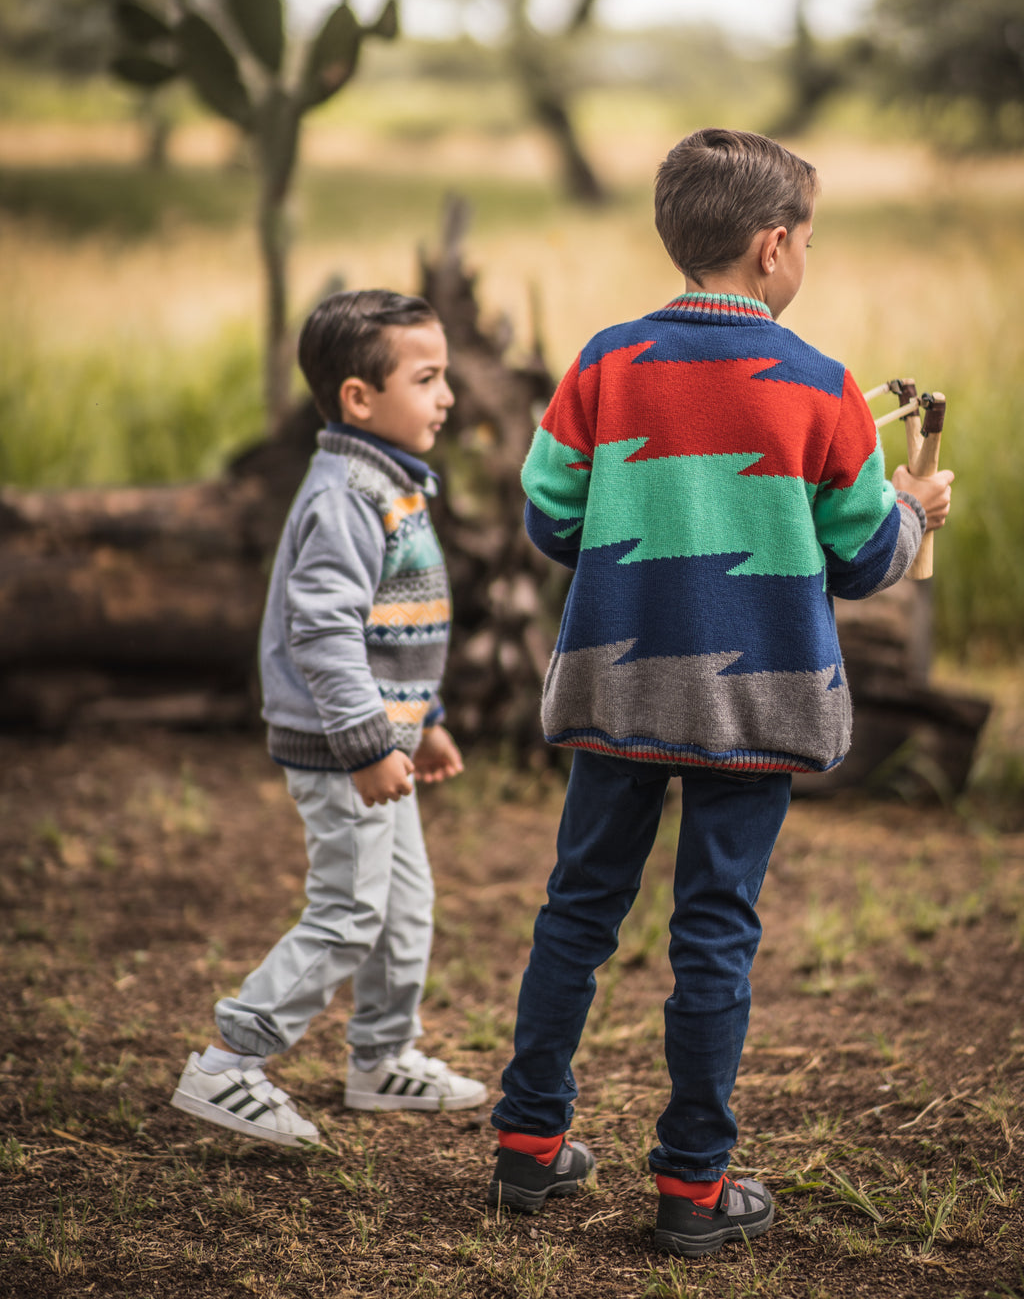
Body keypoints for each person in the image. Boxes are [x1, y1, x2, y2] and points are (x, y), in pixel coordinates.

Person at [485, 128, 954, 1255]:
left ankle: (527, 1147)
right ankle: (692, 1187)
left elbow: (549, 518)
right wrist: (913, 514)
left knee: (577, 910)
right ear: (774, 245)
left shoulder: (603, 361)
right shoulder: (823, 388)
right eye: (809, 241)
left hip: (619, 690)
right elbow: (860, 561)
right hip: (758, 702)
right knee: (714, 932)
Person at [171, 289, 485, 1148]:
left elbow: (393, 629)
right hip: (342, 745)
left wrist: (428, 722)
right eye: (427, 378)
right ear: (359, 397)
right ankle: (228, 1063)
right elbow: (324, 630)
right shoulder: (347, 492)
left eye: (444, 376)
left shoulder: (390, 478)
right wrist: (368, 743)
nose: (447, 396)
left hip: (381, 738)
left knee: (405, 905)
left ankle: (381, 1058)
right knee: (350, 909)